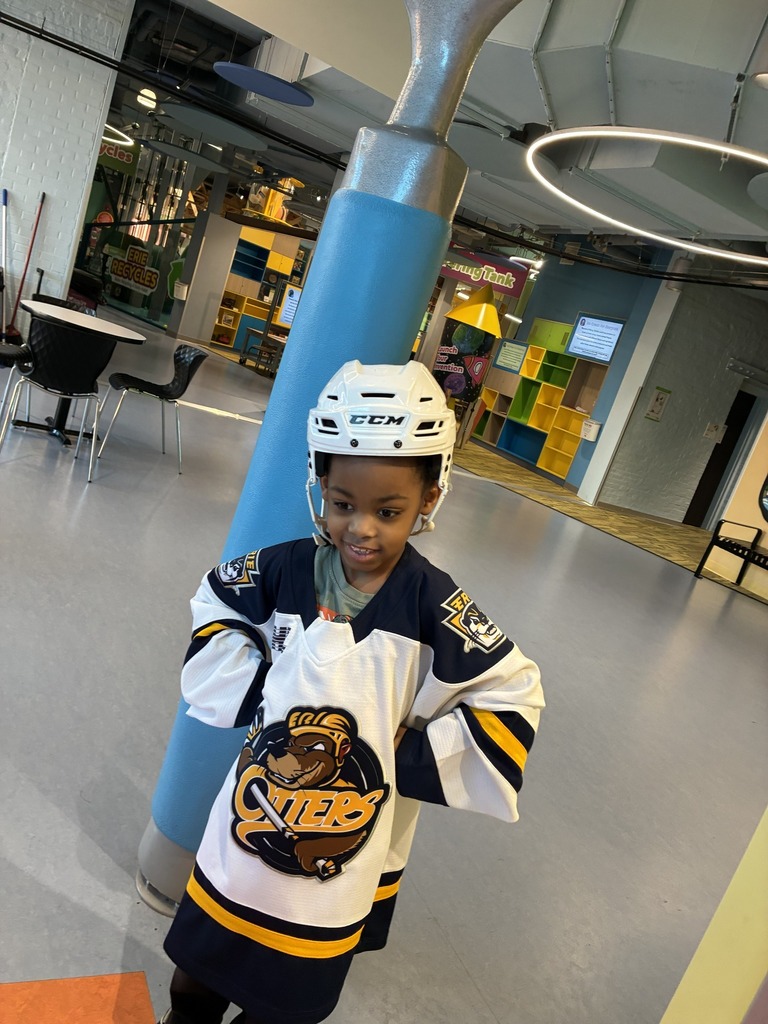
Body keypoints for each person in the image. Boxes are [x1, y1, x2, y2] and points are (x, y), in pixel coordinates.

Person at [157, 360, 545, 1024]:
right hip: (248, 834)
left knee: (282, 1000)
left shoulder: (435, 605)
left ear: (430, 497)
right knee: (196, 976)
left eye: (387, 510)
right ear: (322, 486)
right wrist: (260, 691)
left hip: (340, 851)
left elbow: (513, 692)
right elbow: (216, 602)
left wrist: (407, 756)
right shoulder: (282, 569)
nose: (361, 528)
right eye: (344, 505)